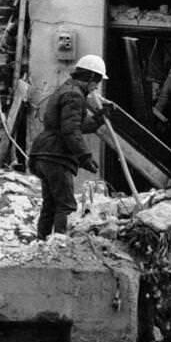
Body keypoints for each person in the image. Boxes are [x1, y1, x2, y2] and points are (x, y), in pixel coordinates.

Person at [28, 54, 108, 240]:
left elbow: (74, 125)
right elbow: (70, 131)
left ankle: (42, 241)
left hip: (45, 153)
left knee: (51, 204)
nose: (96, 86)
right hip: (55, 156)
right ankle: (60, 246)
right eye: (96, 81)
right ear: (89, 78)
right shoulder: (74, 95)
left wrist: (99, 118)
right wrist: (85, 157)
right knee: (65, 205)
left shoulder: (67, 90)